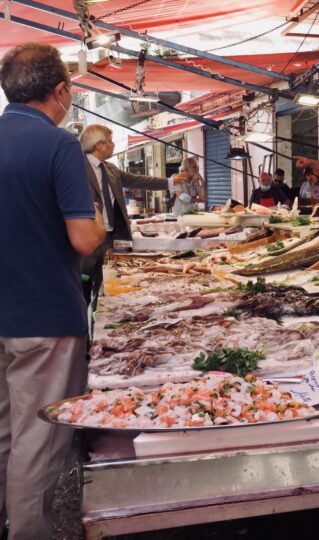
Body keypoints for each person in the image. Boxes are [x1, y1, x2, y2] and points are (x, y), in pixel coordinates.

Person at [0, 42, 106, 540]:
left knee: (4, 436)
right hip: (43, 315)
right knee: (37, 441)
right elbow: (84, 237)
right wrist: (102, 226)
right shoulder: (59, 144)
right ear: (60, 90)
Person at [79, 124, 186, 305]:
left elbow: (137, 180)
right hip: (86, 237)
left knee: (102, 285)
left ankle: (95, 321)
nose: (113, 145)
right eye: (110, 141)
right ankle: (82, 325)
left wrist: (170, 182)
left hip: (108, 237)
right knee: (82, 284)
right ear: (99, 144)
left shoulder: (110, 168)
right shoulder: (75, 167)